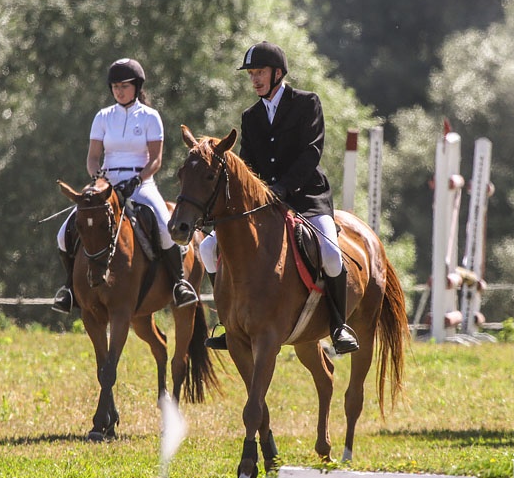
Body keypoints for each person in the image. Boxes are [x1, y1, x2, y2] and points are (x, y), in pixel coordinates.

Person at [201, 41, 359, 355]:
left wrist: (283, 188)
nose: (255, 79)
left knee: (329, 251)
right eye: (251, 74)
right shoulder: (251, 116)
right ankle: (228, 320)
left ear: (277, 73)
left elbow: (311, 153)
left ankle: (339, 325)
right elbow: (246, 165)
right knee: (207, 248)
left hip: (305, 196)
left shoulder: (306, 103)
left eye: (259, 72)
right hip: (264, 203)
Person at [52, 57, 198, 312]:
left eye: (125, 86)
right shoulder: (103, 117)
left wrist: (138, 180)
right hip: (106, 184)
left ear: (137, 86)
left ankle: (179, 283)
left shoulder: (150, 117)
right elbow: (93, 157)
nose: (119, 91)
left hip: (141, 183)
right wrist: (99, 178)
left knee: (166, 229)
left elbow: (156, 160)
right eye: (115, 86)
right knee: (64, 233)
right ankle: (69, 289)